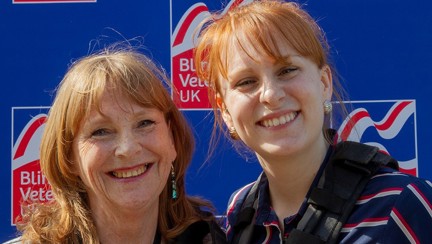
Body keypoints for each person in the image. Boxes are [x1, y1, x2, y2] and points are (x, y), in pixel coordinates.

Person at [193, 0, 432, 243]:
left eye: (287, 70)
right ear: (225, 111)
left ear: (324, 83)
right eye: (246, 82)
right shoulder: (240, 215)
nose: (271, 95)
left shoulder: (401, 203)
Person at [7, 47, 226, 243]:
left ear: (172, 140)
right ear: (68, 158)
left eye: (144, 123)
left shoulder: (211, 239)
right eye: (101, 132)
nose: (128, 148)